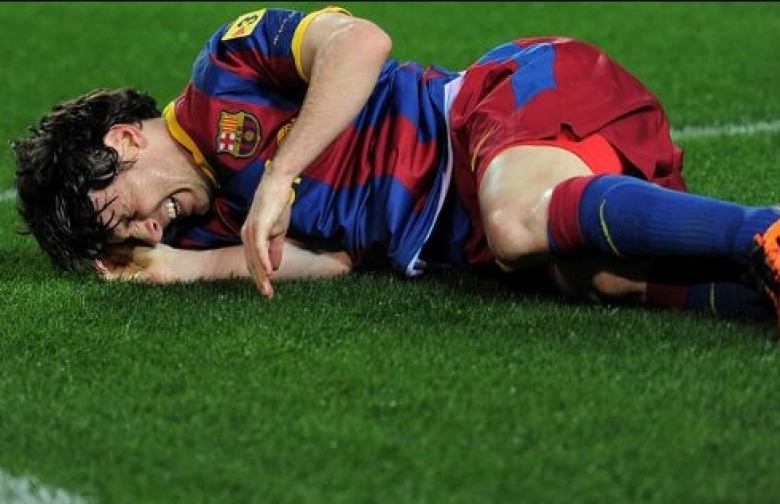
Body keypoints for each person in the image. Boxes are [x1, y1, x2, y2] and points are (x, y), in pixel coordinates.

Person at [11, 5, 780, 328]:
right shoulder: (206, 221)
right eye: (134, 234)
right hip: (477, 223)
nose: (151, 228)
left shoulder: (227, 64)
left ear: (124, 140)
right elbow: (337, 261)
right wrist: (182, 269)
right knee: (605, 280)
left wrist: (281, 174)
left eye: (127, 211)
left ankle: (764, 231)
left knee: (517, 222)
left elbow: (361, 43)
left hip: (494, 109)